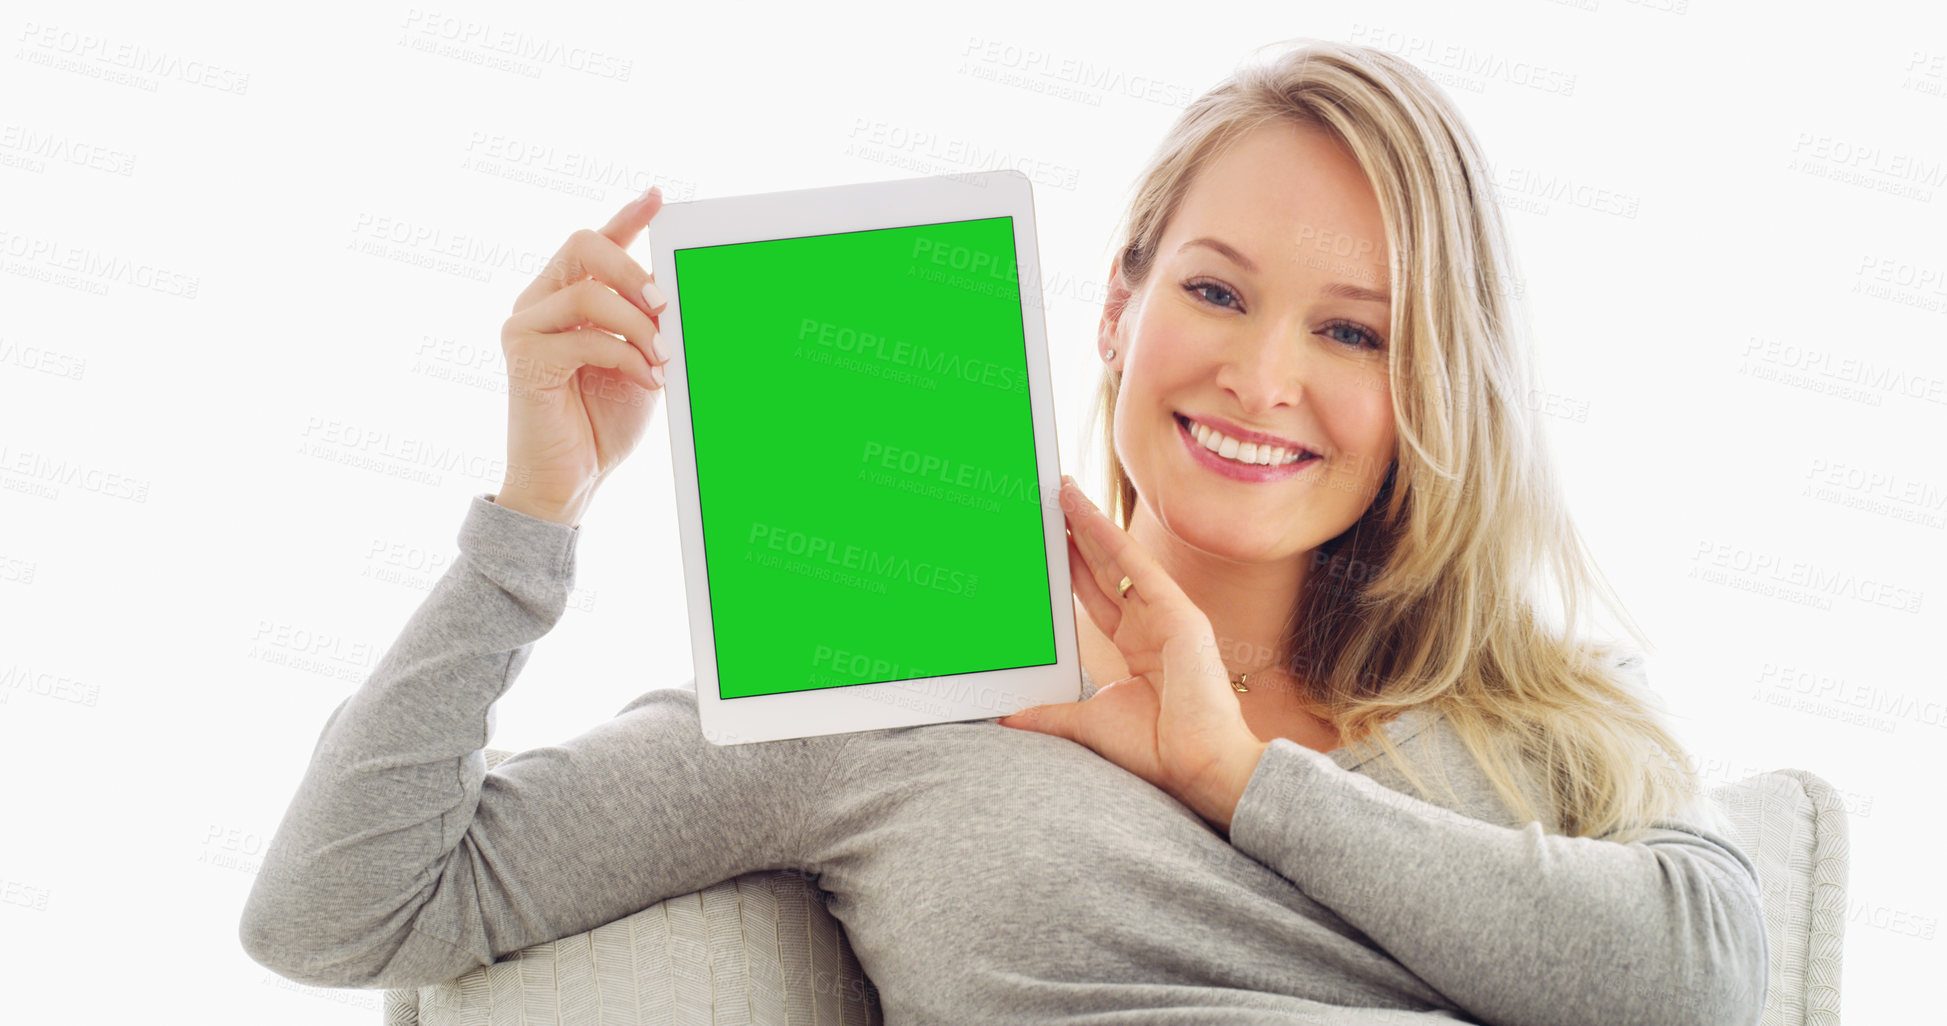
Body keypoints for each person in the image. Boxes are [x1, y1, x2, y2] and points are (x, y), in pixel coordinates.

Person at [238, 38, 1767, 1025]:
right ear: (1120, 305)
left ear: (1433, 380)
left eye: (1356, 333)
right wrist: (532, 509)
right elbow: (339, 903)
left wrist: (1239, 779)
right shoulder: (898, 658)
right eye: (1217, 291)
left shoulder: (1531, 717)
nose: (1261, 376)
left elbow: (1705, 980)